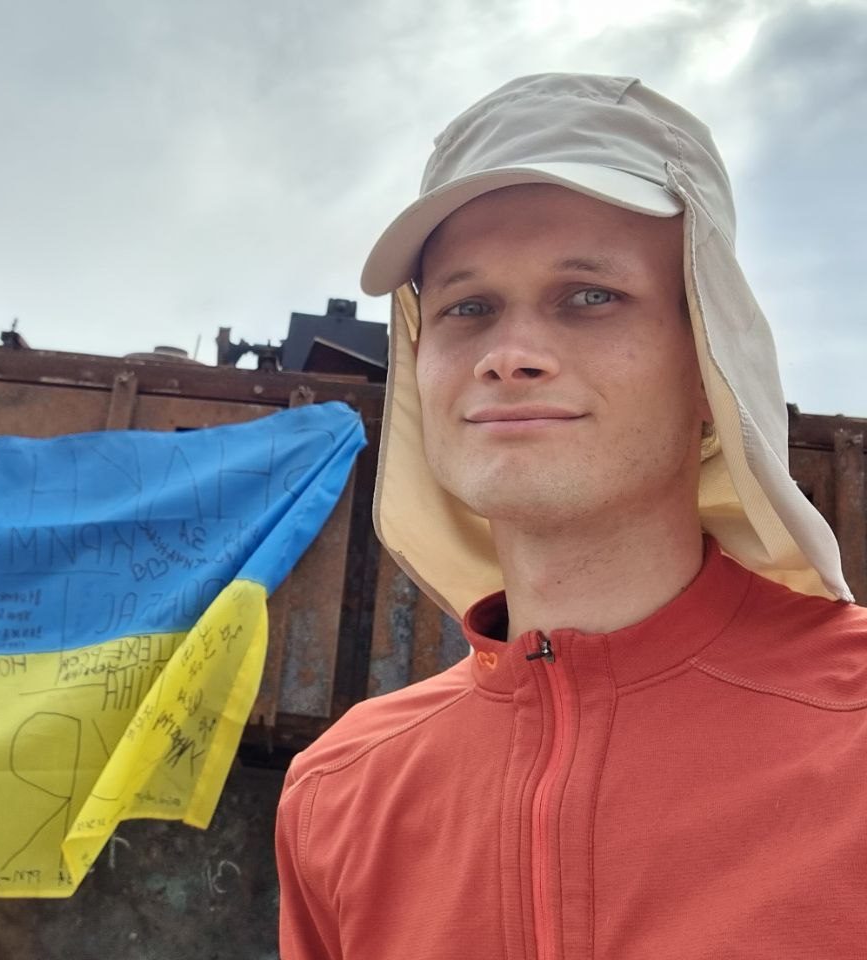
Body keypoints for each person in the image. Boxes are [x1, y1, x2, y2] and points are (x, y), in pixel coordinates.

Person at [275, 73, 867, 959]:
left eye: (590, 295)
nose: (509, 356)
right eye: (467, 308)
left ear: (711, 367)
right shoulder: (340, 789)